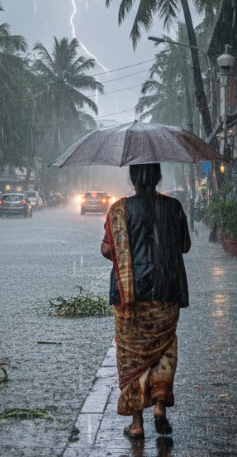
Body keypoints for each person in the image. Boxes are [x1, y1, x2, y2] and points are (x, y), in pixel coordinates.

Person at [100, 162, 190, 440]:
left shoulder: (119, 210)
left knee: (131, 357)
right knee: (164, 350)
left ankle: (137, 423)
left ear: (133, 179)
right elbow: (184, 246)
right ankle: (160, 405)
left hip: (130, 295)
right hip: (166, 289)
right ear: (158, 177)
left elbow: (107, 249)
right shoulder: (173, 207)